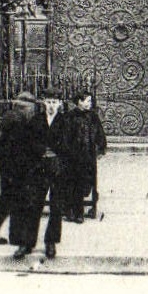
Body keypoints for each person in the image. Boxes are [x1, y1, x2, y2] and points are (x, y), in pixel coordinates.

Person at [0, 91, 48, 259]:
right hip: (14, 166)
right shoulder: (18, 120)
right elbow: (16, 146)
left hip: (8, 165)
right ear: (26, 106)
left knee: (6, 199)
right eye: (32, 106)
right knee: (14, 200)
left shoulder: (12, 116)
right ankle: (10, 235)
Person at [62, 88, 107, 221]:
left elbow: (99, 133)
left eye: (90, 101)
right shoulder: (69, 116)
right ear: (79, 102)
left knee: (84, 183)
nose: (90, 104)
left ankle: (80, 212)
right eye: (87, 101)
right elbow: (65, 137)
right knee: (71, 183)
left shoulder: (93, 116)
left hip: (88, 156)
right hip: (72, 156)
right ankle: (71, 212)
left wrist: (101, 148)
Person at [39, 95, 66, 259]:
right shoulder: (37, 119)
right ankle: (26, 242)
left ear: (59, 104)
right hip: (39, 166)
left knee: (56, 205)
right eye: (48, 102)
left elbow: (68, 143)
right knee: (34, 204)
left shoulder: (65, 121)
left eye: (54, 102)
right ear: (43, 103)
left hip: (57, 166)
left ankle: (51, 242)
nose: (51, 105)